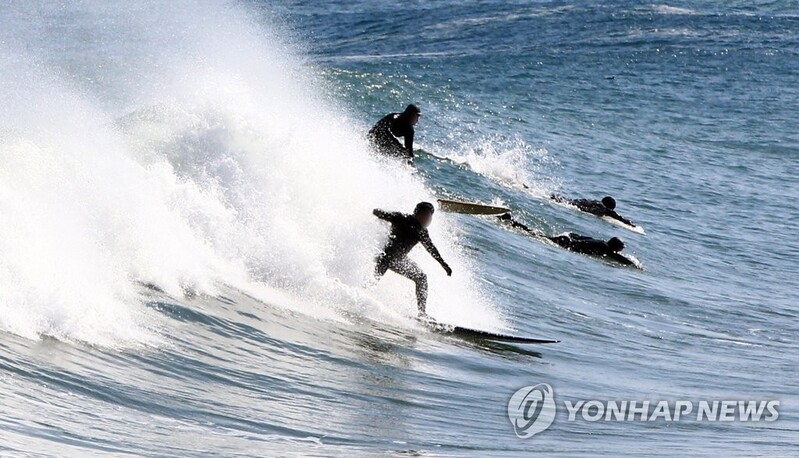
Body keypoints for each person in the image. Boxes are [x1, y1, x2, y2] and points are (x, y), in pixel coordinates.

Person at [374, 202, 452, 316]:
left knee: (421, 278)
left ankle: (422, 313)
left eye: (431, 216)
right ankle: (358, 297)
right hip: (386, 258)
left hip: (398, 260)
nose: (429, 219)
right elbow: (378, 212)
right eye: (428, 215)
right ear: (421, 214)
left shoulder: (421, 230)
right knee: (372, 281)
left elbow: (431, 249)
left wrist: (443, 264)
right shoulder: (402, 218)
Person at [497, 213, 635, 266]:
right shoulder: (605, 248)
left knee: (536, 234)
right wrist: (634, 265)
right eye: (621, 247)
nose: (622, 250)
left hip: (567, 239)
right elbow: (621, 260)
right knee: (534, 235)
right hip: (566, 243)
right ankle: (510, 221)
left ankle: (512, 221)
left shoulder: (602, 243)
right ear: (615, 247)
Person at [550, 194, 636, 227]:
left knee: (567, 201)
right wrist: (630, 224)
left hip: (578, 202)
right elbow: (618, 217)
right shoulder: (605, 209)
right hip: (581, 207)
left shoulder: (595, 201)